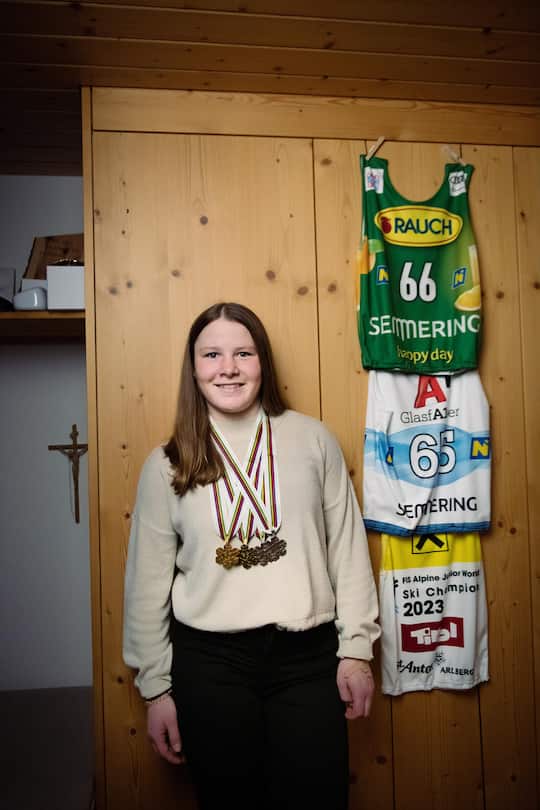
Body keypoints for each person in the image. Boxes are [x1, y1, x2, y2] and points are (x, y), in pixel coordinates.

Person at [123, 302, 380, 810]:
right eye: (212, 354)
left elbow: (348, 553)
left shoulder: (314, 441)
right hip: (211, 665)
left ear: (262, 361)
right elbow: (146, 587)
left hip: (307, 661)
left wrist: (356, 651)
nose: (229, 368)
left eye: (243, 352)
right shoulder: (167, 463)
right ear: (193, 368)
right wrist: (155, 689)